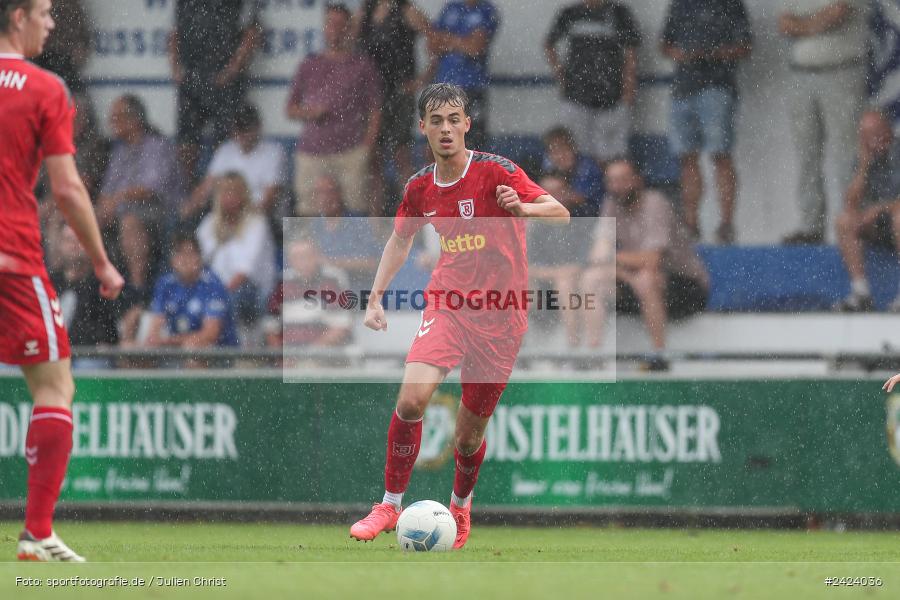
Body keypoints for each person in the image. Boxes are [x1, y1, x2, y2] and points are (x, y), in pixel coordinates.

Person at [349, 83, 569, 549]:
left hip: (501, 317)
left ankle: (461, 507)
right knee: (411, 401)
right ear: (422, 127)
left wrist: (523, 207)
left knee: (468, 438)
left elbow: (561, 213)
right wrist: (375, 297)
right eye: (437, 120)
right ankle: (389, 504)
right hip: (448, 304)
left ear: (467, 124)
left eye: (454, 119)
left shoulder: (496, 172)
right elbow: (401, 240)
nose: (446, 129)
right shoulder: (420, 187)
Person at [0, 0, 124, 562]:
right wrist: (101, 260)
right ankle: (36, 532)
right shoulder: (45, 89)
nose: (52, 23)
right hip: (13, 260)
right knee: (54, 388)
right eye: (46, 12)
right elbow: (68, 190)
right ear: (17, 16)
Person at [582, 159, 708, 371]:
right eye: (612, 181)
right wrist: (615, 265)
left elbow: (652, 260)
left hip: (687, 288)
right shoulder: (611, 203)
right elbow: (596, 256)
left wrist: (612, 260)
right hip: (637, 282)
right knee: (591, 278)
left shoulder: (655, 203)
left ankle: (660, 356)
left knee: (646, 278)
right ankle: (594, 356)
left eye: (623, 179)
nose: (617, 186)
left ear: (638, 180)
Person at [660, 0, 752, 244]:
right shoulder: (680, 4)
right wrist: (681, 54)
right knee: (686, 157)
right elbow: (665, 44)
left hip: (717, 86)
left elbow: (745, 46)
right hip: (683, 88)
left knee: (720, 155)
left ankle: (726, 224)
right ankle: (691, 224)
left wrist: (713, 54)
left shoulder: (730, 5)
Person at [779, 0, 868, 245]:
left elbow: (838, 13)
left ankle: (851, 225)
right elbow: (784, 24)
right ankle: (811, 227)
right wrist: (815, 23)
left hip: (842, 72)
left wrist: (802, 26)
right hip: (801, 74)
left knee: (847, 155)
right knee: (806, 155)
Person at [286, 3, 382, 216]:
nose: (335, 29)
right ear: (324, 27)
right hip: (312, 152)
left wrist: (367, 146)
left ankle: (352, 251)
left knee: (356, 212)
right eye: (330, 23)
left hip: (350, 152)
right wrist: (310, 113)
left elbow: (376, 109)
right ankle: (308, 251)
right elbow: (290, 109)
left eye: (340, 24)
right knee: (306, 215)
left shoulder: (362, 65)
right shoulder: (309, 64)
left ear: (349, 28)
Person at [96, 94, 184, 297]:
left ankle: (137, 290)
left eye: (117, 118)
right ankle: (87, 282)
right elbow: (106, 192)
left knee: (130, 223)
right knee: (83, 218)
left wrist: (116, 201)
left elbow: (150, 190)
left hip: (160, 211)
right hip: (122, 209)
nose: (112, 123)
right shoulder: (120, 151)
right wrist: (104, 208)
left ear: (134, 120)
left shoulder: (157, 146)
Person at [168, 0, 262, 183]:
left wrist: (231, 70)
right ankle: (189, 196)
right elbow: (174, 31)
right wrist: (176, 68)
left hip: (224, 81)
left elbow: (252, 32)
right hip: (191, 76)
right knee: (186, 144)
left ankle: (223, 193)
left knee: (225, 142)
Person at [354, 0, 432, 214]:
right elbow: (347, 44)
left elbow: (435, 38)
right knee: (374, 161)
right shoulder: (365, 12)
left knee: (401, 156)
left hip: (399, 93)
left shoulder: (407, 11)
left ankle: (412, 218)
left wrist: (423, 78)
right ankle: (375, 223)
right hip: (371, 97)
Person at [544, 0, 640, 165]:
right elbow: (548, 44)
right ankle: (584, 188)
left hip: (612, 96)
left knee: (611, 155)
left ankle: (610, 188)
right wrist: (561, 75)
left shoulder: (619, 13)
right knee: (579, 153)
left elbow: (631, 53)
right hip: (576, 96)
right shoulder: (569, 13)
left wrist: (628, 91)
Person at [834, 110, 900, 312]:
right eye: (866, 136)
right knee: (844, 221)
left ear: (888, 129)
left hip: (895, 219)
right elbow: (850, 203)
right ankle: (861, 293)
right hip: (881, 227)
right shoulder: (862, 158)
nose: (873, 140)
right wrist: (863, 166)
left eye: (876, 132)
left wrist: (881, 208)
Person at [180, 103, 285, 228]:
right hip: (226, 213)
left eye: (246, 128)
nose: (241, 134)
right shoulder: (226, 150)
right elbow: (206, 186)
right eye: (238, 128)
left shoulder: (274, 152)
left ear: (258, 127)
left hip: (259, 215)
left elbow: (269, 199)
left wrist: (241, 220)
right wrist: (189, 206)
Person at [196, 172, 276, 327]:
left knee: (229, 300)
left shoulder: (256, 223)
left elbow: (244, 272)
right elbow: (196, 259)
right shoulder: (209, 222)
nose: (229, 196)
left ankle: (231, 346)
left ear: (243, 195)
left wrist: (219, 295)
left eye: (234, 192)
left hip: (251, 289)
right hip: (214, 285)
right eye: (224, 191)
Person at [144, 231, 239, 352]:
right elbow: (155, 327)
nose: (185, 259)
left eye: (190, 253)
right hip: (175, 352)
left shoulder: (213, 285)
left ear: (199, 258)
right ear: (172, 259)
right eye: (180, 253)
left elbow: (210, 334)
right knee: (134, 352)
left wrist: (167, 341)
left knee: (193, 351)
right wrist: (155, 340)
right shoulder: (165, 284)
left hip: (218, 356)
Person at [429, 0, 500, 151]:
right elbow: (432, 44)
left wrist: (447, 39)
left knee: (472, 144)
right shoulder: (451, 8)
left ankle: (469, 175)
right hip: (443, 88)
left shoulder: (487, 10)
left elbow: (475, 47)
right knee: (437, 144)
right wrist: (462, 41)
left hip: (471, 87)